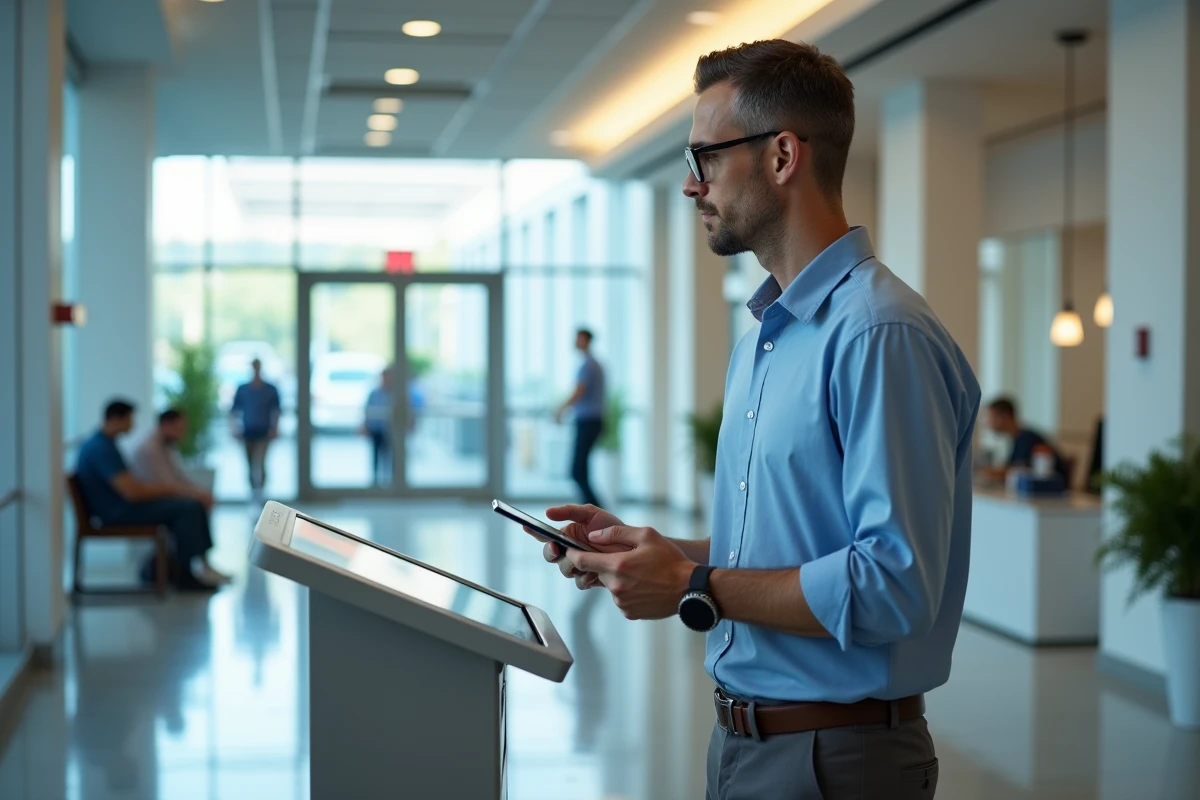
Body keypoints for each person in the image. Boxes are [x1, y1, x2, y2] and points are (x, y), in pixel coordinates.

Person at [534, 40, 979, 799]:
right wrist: (656, 551)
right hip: (746, 742)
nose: (690, 184)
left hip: (837, 759)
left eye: (705, 157)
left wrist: (691, 581)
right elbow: (788, 544)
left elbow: (894, 587)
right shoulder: (767, 340)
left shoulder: (878, 334)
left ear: (781, 157)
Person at [74, 399, 228, 590]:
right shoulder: (101, 448)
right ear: (116, 418)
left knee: (188, 506)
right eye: (130, 420)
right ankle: (185, 575)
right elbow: (131, 492)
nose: (133, 425)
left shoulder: (104, 444)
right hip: (116, 513)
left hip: (118, 508)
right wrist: (169, 490)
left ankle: (185, 569)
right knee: (188, 508)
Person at [129, 407, 232, 585]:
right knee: (190, 508)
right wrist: (196, 495)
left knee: (195, 504)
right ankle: (187, 572)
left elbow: (179, 477)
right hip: (148, 502)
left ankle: (203, 564)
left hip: (161, 498)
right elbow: (167, 485)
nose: (182, 433)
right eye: (179, 428)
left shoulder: (165, 446)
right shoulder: (149, 449)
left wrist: (200, 493)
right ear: (166, 424)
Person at [554, 329, 607, 507]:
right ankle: (592, 509)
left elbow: (579, 391)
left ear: (586, 340)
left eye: (578, 339)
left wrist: (561, 409)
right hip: (591, 421)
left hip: (588, 421)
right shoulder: (593, 364)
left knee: (577, 470)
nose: (575, 342)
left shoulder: (588, 365)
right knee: (580, 470)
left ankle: (596, 509)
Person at [979, 396, 1070, 484]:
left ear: (1004, 417)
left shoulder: (1027, 439)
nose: (988, 423)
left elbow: (1017, 471)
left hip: (1048, 492)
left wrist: (987, 472)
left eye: (991, 417)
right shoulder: (1017, 438)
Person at [230, 358, 281, 503]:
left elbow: (276, 410)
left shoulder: (270, 389)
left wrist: (275, 428)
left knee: (262, 462)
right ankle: (253, 491)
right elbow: (234, 411)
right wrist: (234, 428)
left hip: (264, 431)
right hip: (248, 431)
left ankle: (261, 491)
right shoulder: (243, 389)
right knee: (249, 463)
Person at [362, 367, 392, 486]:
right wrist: (365, 425)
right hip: (376, 429)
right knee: (375, 455)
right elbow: (367, 411)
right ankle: (375, 480)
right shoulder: (374, 393)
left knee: (388, 456)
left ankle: (389, 480)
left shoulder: (395, 393)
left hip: (390, 430)